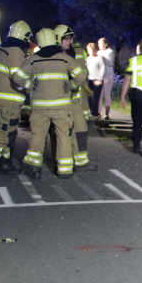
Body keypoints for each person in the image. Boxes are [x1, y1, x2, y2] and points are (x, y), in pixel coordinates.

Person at [12, 28, 85, 179]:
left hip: (40, 108)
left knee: (37, 136)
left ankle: (34, 167)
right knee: (64, 137)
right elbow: (81, 76)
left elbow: (17, 78)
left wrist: (31, 84)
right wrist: (71, 86)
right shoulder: (64, 58)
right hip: (62, 107)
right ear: (55, 40)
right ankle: (65, 170)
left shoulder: (34, 59)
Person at [0, 20, 31, 174]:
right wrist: (33, 86)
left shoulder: (0, 47)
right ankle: (2, 162)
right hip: (8, 101)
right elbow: (18, 77)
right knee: (6, 131)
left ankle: (4, 160)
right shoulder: (15, 51)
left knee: (4, 129)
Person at [54, 25, 97, 172]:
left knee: (80, 128)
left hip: (74, 99)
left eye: (70, 38)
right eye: (65, 38)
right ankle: (61, 161)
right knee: (61, 132)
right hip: (57, 100)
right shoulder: (50, 53)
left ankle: (81, 161)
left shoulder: (76, 51)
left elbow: (81, 76)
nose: (69, 41)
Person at [86, 42, 105, 118]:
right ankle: (91, 112)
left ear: (96, 50)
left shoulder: (99, 58)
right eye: (90, 50)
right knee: (89, 97)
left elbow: (102, 68)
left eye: (93, 50)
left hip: (98, 80)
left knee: (95, 98)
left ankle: (95, 114)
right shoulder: (88, 59)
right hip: (90, 80)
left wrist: (100, 79)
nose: (92, 52)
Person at [97, 37, 115, 120]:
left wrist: (103, 58)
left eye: (101, 43)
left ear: (106, 44)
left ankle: (107, 113)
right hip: (100, 75)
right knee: (99, 94)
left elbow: (110, 63)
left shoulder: (109, 51)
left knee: (107, 94)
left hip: (108, 74)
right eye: (98, 44)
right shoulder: (98, 52)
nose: (99, 45)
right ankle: (98, 112)